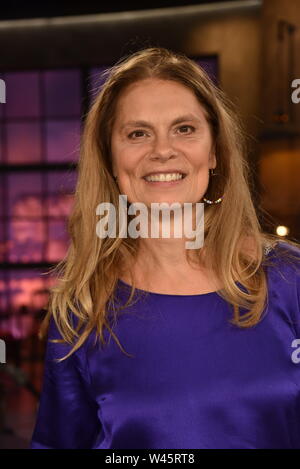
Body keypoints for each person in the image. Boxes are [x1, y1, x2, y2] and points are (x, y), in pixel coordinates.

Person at [30, 47, 300, 449]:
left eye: (184, 129)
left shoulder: (289, 278)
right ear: (110, 159)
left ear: (213, 152)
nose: (162, 151)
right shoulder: (81, 313)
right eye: (137, 133)